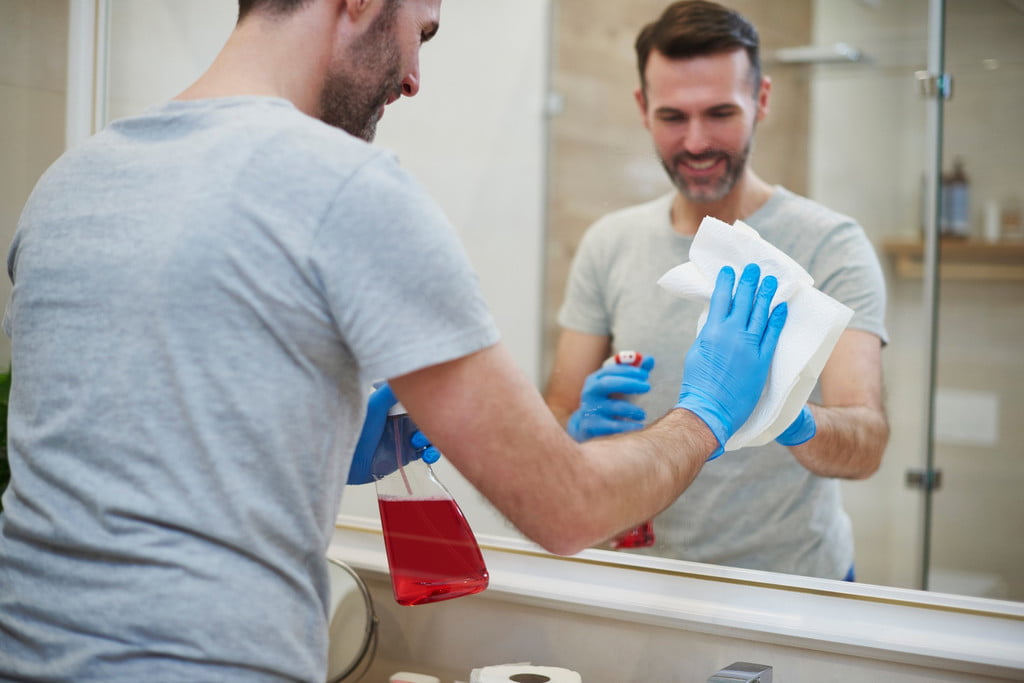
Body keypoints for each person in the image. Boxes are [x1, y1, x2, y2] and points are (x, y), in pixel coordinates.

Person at [0, 1, 788, 680]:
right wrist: (707, 411)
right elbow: (567, 508)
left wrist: (311, 438)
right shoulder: (349, 185)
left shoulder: (71, 181)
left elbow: (129, 449)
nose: (413, 78)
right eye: (422, 32)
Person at [544, 0, 889, 580]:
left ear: (762, 99)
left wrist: (787, 416)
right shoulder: (610, 243)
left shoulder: (831, 244)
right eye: (673, 117)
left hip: (790, 584)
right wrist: (576, 431)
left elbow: (867, 444)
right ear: (642, 108)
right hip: (642, 580)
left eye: (720, 113)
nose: (697, 141)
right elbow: (558, 407)